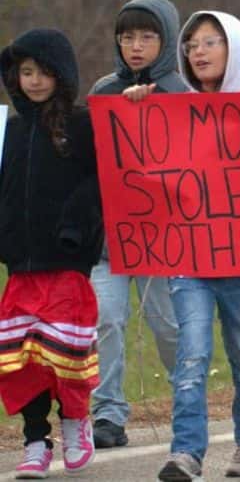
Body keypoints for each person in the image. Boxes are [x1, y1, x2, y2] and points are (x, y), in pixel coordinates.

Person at [153, 11, 240, 481]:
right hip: (188, 257)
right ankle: (186, 453)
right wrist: (135, 109)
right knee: (191, 354)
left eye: (211, 42)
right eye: (191, 44)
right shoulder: (169, 110)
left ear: (235, 49)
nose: (200, 52)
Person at [0, 29, 103, 479]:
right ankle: (35, 439)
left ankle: (76, 420)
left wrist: (73, 230)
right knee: (21, 359)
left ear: (62, 74)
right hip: (21, 266)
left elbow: (96, 184)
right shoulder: (11, 128)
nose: (35, 80)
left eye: (43, 72)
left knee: (65, 354)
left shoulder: (81, 124)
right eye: (25, 72)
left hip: (65, 262)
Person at [86, 0, 184, 449]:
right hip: (108, 239)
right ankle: (107, 413)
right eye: (127, 37)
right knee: (105, 319)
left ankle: (187, 399)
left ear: (165, 41)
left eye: (147, 37)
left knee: (168, 326)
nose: (136, 46)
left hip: (162, 241)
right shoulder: (103, 93)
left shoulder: (183, 95)